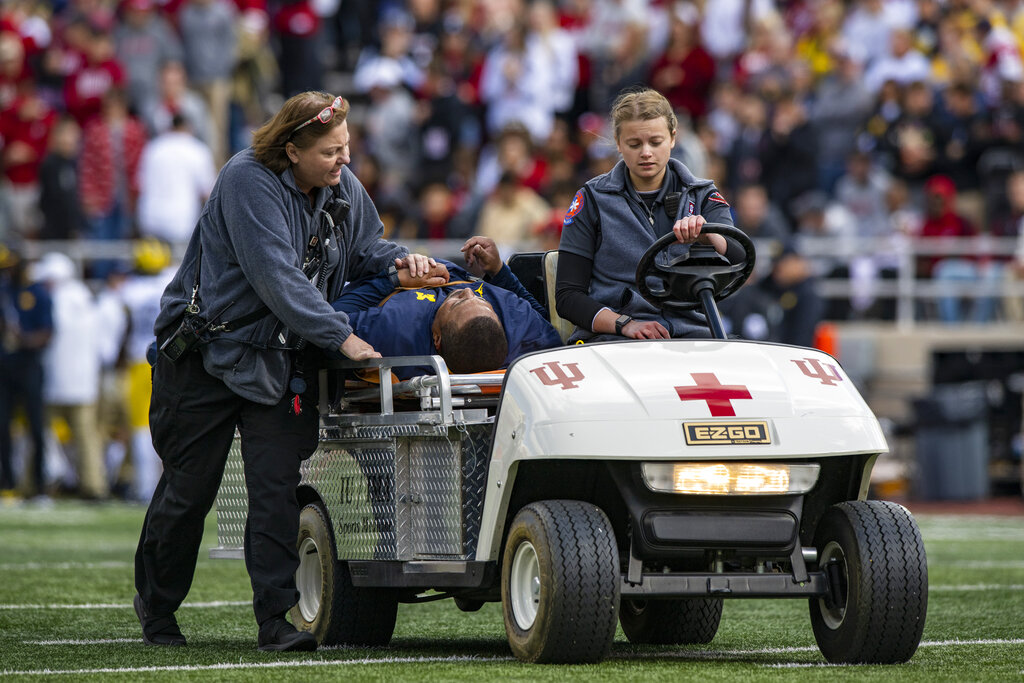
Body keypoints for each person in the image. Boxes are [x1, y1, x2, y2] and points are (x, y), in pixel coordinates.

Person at [133, 91, 437, 653]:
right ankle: (157, 609)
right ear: (291, 150)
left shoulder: (339, 184)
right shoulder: (246, 179)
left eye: (346, 149)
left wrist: (404, 261)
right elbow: (279, 279)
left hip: (279, 362)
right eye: (329, 152)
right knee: (189, 491)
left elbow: (367, 246)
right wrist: (345, 340)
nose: (342, 162)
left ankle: (277, 621)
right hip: (206, 358)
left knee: (276, 493)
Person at [555, 87, 739, 343]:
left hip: (692, 334)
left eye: (655, 142)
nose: (646, 153)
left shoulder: (702, 194)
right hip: (616, 339)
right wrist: (625, 324)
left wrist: (708, 235)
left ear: (673, 138)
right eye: (634, 144)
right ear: (618, 143)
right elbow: (568, 297)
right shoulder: (591, 200)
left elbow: (739, 255)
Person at [332, 236, 562, 379]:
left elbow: (331, 320)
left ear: (437, 338)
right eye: (484, 302)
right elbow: (541, 318)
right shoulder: (520, 330)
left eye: (458, 303)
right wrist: (499, 272)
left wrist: (394, 279)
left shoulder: (394, 330)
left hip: (383, 263)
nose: (468, 292)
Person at [0, 245, 52, 504]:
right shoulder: (4, 290)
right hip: (4, 367)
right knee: (2, 426)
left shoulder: (37, 292)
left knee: (36, 427)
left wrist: (23, 339)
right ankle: (7, 483)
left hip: (29, 366)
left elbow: (47, 332)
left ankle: (39, 486)